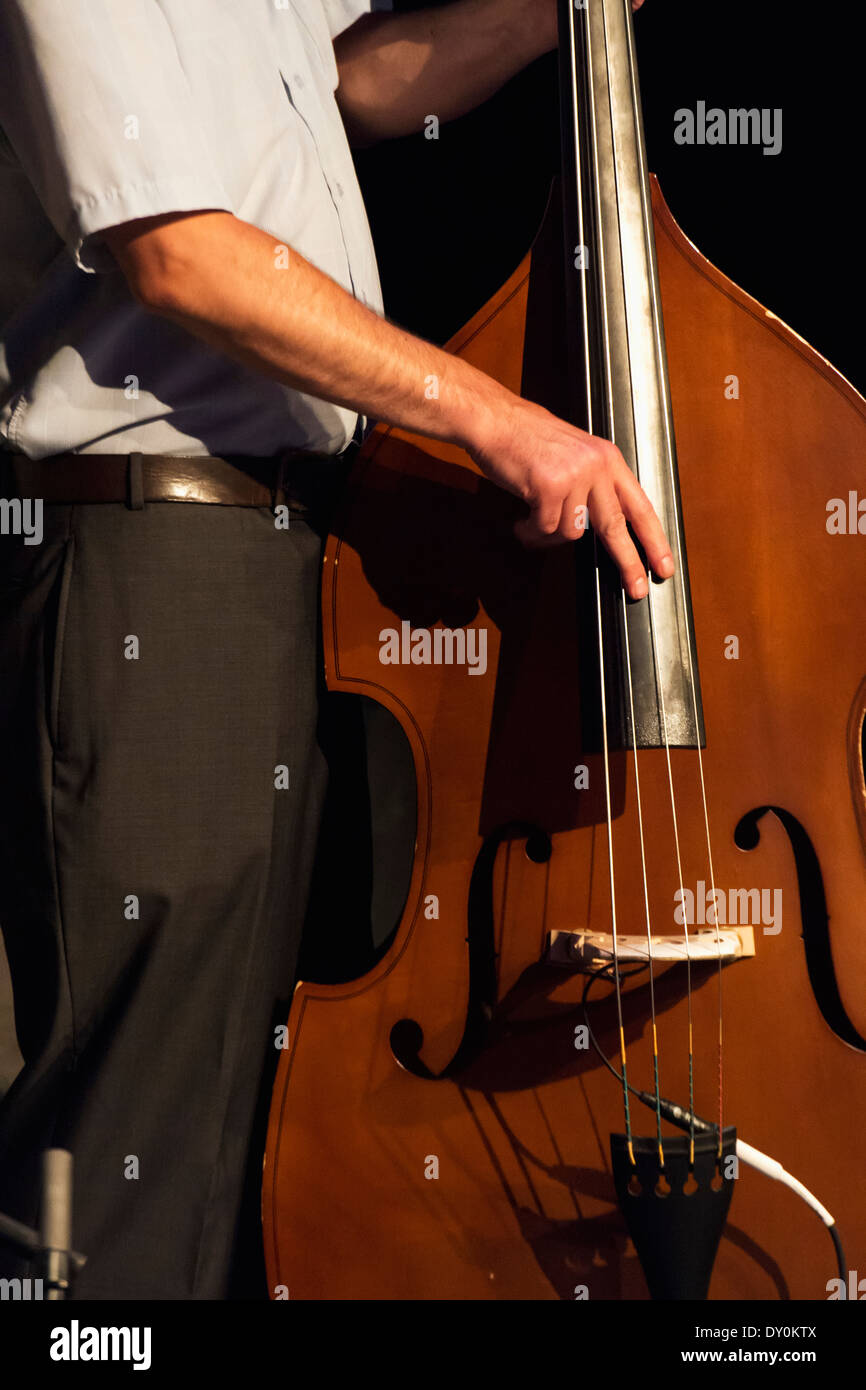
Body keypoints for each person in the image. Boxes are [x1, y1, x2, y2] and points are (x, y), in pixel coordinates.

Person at [0, 0, 668, 1300]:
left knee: (244, 1151)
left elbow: (350, 76)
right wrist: (496, 418)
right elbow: (180, 253)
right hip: (160, 545)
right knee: (124, 1164)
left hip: (300, 538)